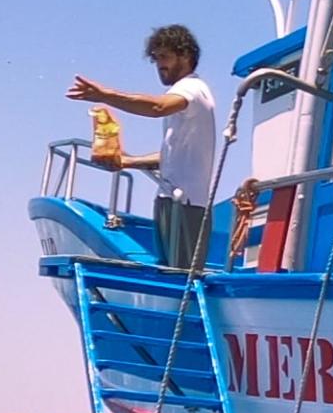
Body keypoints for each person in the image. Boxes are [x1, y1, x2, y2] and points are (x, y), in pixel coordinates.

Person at [71, 27, 225, 270]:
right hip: (170, 198)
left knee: (182, 275)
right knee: (168, 271)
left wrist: (105, 95)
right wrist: (127, 162)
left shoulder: (192, 88)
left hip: (186, 202)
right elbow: (172, 156)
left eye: (165, 57)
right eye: (156, 59)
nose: (159, 65)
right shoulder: (185, 94)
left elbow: (157, 108)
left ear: (185, 56)